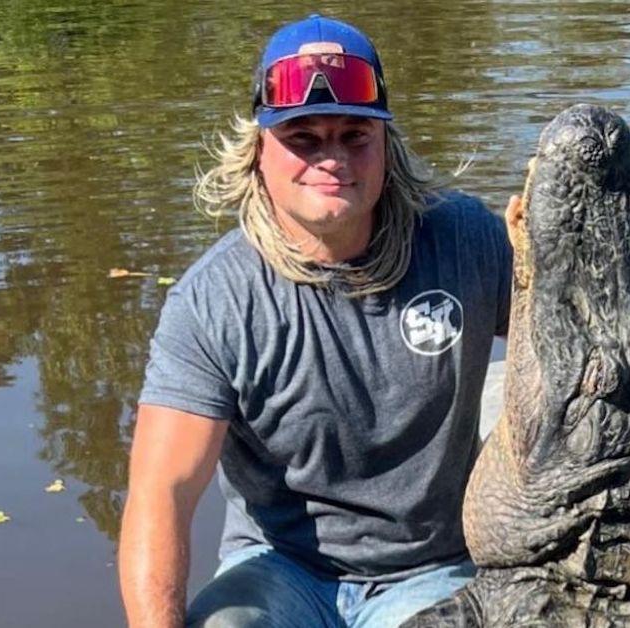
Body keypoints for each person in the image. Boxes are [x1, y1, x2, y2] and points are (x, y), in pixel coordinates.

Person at [118, 14, 520, 628]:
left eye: (353, 135)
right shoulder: (213, 301)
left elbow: (580, 342)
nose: (331, 158)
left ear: (387, 143)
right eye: (303, 138)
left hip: (430, 568)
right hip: (280, 570)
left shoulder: (466, 240)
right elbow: (162, 496)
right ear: (259, 150)